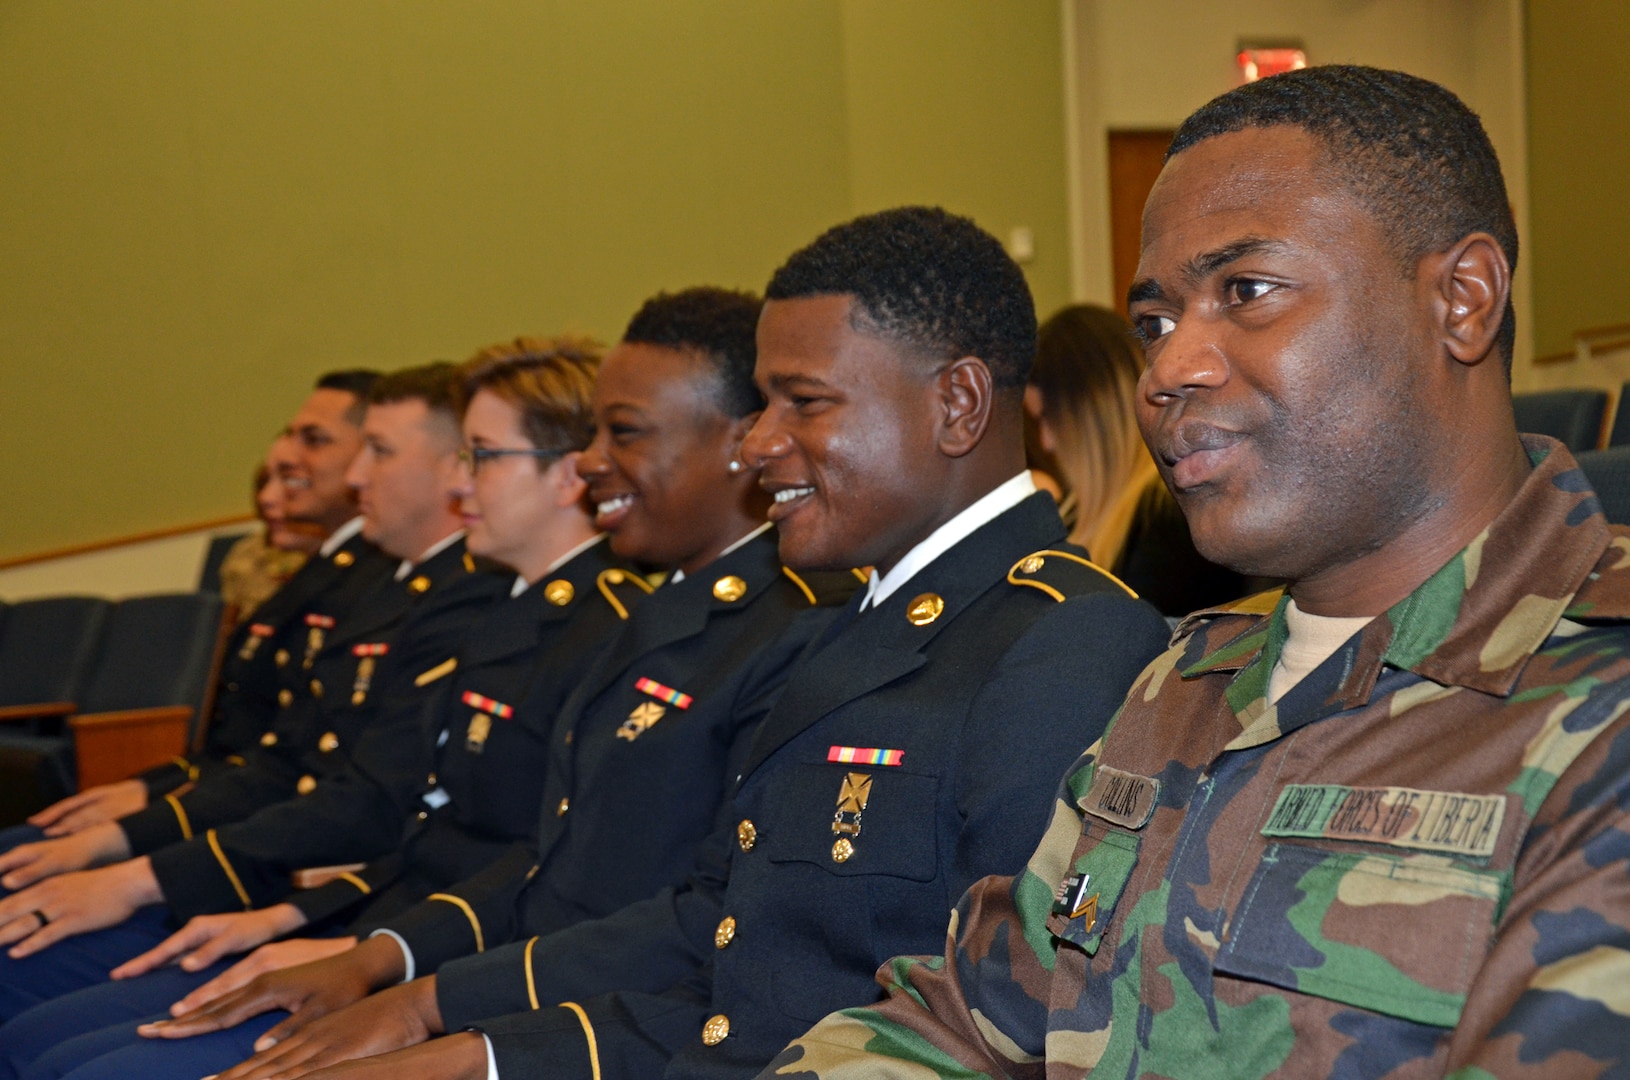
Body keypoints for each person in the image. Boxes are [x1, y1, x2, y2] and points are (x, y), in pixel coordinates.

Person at [146, 207, 1171, 1080]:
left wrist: (468, 1041)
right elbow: (718, 935)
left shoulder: (1062, 649)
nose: (759, 441)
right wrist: (442, 1021)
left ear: (955, 404)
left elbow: (987, 1036)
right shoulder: (856, 618)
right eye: (763, 401)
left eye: (802, 403)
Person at [761, 66, 1630, 1078]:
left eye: (1245, 292)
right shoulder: (1185, 679)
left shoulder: (1594, 704)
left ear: (1462, 300)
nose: (1168, 370)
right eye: (1154, 324)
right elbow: (960, 1020)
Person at [8, 287, 854, 1080]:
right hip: (489, 974)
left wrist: (427, 1003)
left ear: (740, 441)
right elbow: (545, 861)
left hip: (575, 1021)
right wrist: (376, 959)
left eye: (622, 433)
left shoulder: (789, 629)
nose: (589, 463)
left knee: (82, 1063)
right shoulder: (660, 611)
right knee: (50, 1047)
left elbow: (697, 921)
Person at [0, 363, 509, 1020]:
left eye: (377, 452)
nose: (355, 478)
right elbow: (277, 756)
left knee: (47, 1028)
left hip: (347, 906)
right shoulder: (394, 589)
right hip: (298, 882)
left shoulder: (465, 602)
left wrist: (140, 867)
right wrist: (133, 838)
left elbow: (373, 807)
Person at [12, 371, 392, 842]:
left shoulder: (378, 580)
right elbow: (240, 747)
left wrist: (138, 832)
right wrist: (148, 788)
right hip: (234, 806)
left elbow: (297, 767)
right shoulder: (329, 573)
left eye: (313, 440)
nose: (288, 457)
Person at [1026, 303, 1248, 615]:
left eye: (1047, 417)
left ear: (1091, 409)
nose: (1046, 442)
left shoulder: (1169, 519)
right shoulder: (1079, 512)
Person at [216, 457, 325, 628]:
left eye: (284, 487)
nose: (265, 498)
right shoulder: (244, 550)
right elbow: (227, 623)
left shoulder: (320, 547)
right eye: (262, 486)